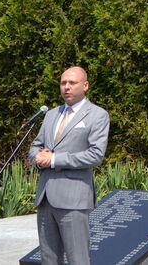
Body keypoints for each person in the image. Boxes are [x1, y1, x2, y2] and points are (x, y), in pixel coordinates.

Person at [29, 66, 110, 265]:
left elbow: (95, 155)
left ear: (85, 85)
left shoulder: (97, 115)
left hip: (74, 200)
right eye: (63, 83)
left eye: (72, 83)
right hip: (46, 198)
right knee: (48, 259)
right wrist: (38, 158)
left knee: (78, 260)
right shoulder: (51, 115)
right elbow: (35, 146)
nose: (66, 87)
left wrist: (55, 159)